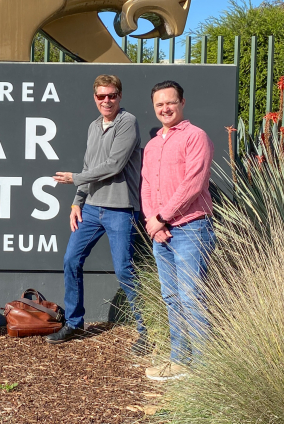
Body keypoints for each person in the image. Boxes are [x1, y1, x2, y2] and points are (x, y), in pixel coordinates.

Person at [51, 74, 147, 352]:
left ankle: (145, 331)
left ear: (120, 96)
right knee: (71, 260)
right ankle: (74, 323)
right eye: (101, 96)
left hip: (120, 209)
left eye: (112, 95)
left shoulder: (127, 122)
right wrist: (77, 201)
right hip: (91, 209)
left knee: (125, 271)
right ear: (95, 98)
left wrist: (75, 178)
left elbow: (113, 165)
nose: (107, 100)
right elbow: (89, 164)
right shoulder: (94, 126)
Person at [141, 80, 215, 381]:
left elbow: (193, 185)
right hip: (162, 233)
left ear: (182, 103)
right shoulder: (154, 144)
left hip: (191, 229)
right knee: (171, 297)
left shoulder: (196, 136)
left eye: (170, 102)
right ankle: (179, 360)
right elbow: (146, 185)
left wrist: (161, 216)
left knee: (191, 296)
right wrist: (153, 222)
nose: (165, 108)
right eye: (159, 104)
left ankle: (204, 370)